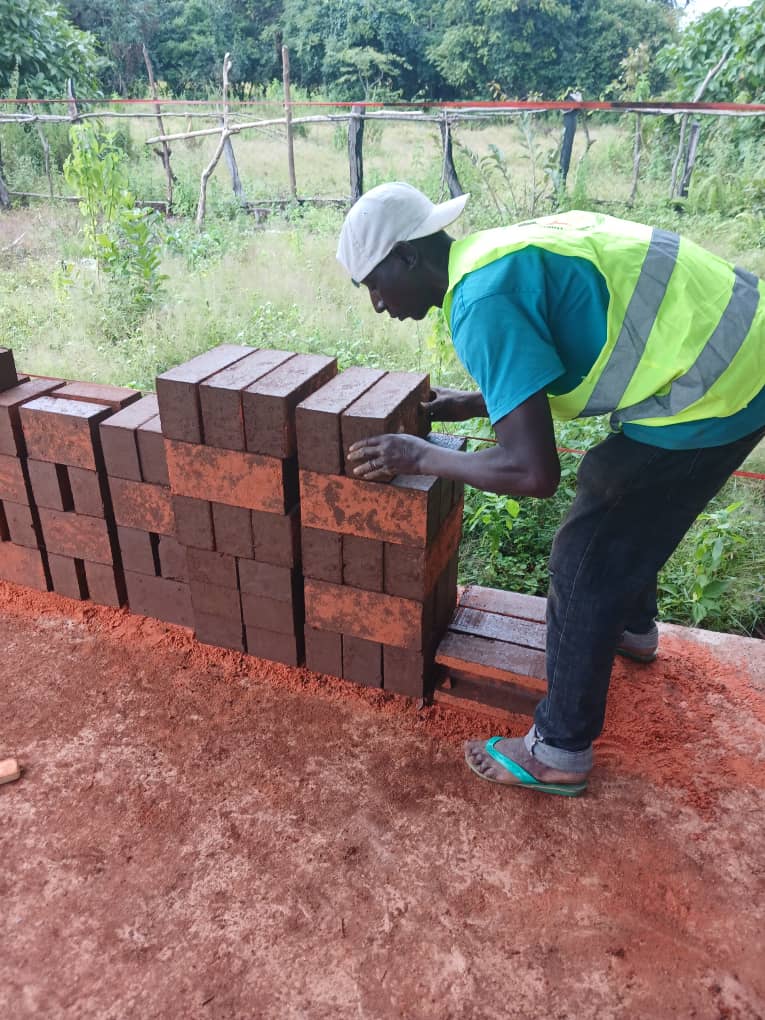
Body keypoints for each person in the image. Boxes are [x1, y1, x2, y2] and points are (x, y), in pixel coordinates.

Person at [336, 181, 765, 797]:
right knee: (633, 503)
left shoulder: (480, 302)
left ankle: (559, 750)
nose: (378, 304)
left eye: (375, 284)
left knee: (588, 549)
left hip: (721, 382)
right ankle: (630, 627)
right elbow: (556, 342)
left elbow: (534, 473)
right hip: (735, 338)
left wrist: (419, 454)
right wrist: (480, 401)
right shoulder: (488, 258)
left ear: (408, 255)